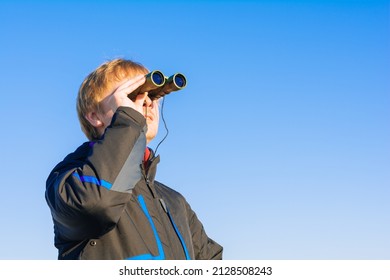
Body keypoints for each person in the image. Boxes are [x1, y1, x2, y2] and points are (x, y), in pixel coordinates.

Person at [45, 58, 223, 260]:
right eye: (132, 95)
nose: (147, 102)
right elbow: (96, 205)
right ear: (95, 116)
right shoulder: (71, 176)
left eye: (153, 94)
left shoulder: (174, 201)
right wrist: (129, 121)